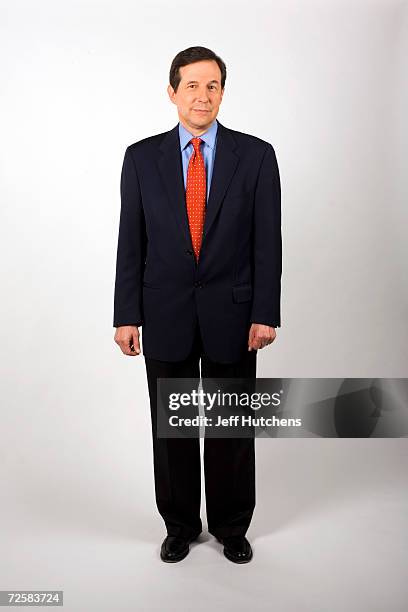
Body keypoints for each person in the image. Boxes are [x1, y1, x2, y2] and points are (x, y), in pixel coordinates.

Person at [113, 46, 282, 563]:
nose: (203, 96)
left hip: (234, 312)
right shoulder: (141, 158)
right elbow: (131, 242)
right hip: (164, 312)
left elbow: (266, 242)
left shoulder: (255, 156)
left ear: (223, 93)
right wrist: (126, 314)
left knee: (231, 426)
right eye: (192, 85)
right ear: (172, 92)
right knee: (174, 427)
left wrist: (265, 312)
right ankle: (181, 525)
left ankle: (232, 526)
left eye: (212, 86)